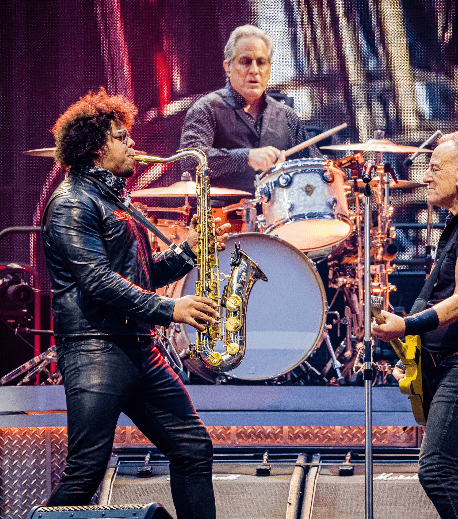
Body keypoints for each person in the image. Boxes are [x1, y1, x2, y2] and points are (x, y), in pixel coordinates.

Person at [41, 87, 227, 518]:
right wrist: (171, 309)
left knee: (193, 447)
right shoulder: (71, 204)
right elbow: (98, 282)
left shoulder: (113, 200)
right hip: (95, 349)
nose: (133, 145)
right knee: (85, 471)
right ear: (95, 148)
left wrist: (187, 254)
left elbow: (137, 275)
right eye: (122, 137)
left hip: (137, 348)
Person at [371, 131, 458, 519]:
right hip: (456, 363)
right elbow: (437, 292)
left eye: (435, 169)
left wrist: (407, 325)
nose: (426, 177)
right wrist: (407, 339)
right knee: (441, 471)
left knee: (437, 471)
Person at [179, 24, 322, 196]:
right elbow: (190, 160)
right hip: (222, 219)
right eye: (245, 62)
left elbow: (317, 168)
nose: (254, 71)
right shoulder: (206, 109)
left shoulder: (287, 116)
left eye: (261, 62)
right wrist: (246, 157)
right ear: (228, 67)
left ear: (269, 68)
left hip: (277, 219)